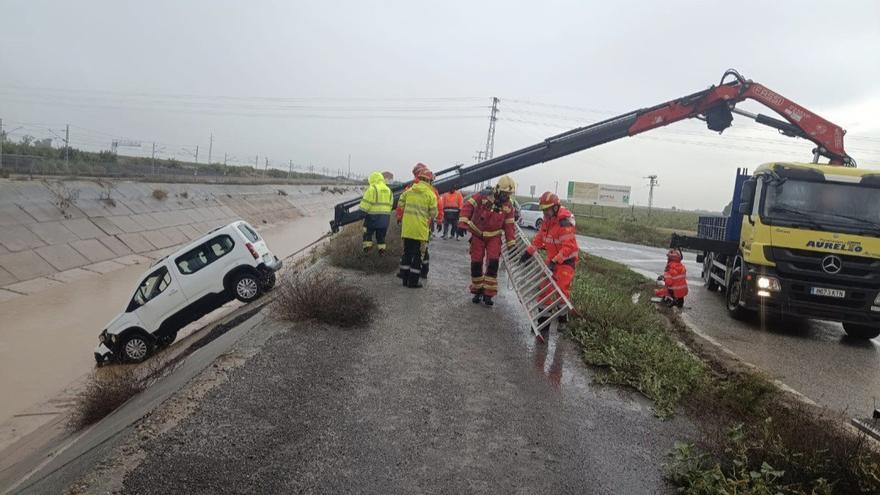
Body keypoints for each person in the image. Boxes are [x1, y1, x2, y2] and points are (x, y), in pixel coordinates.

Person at [458, 176, 517, 306]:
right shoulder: (484, 196)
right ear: (497, 190)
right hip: (478, 234)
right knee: (476, 263)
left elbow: (509, 225)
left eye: (508, 194)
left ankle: (488, 294)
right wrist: (462, 223)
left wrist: (511, 242)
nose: (506, 196)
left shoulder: (508, 206)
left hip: (494, 236)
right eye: (504, 193)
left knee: (493, 263)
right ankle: (477, 291)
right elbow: (468, 206)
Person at [518, 192, 579, 306]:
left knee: (561, 290)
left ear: (555, 208)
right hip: (552, 260)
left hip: (566, 262)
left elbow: (568, 247)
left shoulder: (564, 223)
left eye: (547, 209)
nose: (544, 213)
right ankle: (543, 320)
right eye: (543, 210)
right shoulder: (547, 221)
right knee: (544, 289)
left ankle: (561, 317)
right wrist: (528, 253)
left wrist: (554, 261)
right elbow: (538, 239)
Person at [397, 167, 438, 288]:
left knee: (407, 253)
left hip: (407, 229)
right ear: (429, 181)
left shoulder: (409, 191)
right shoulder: (431, 194)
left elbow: (400, 203)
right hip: (420, 230)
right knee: (418, 256)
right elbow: (433, 214)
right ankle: (413, 282)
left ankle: (404, 278)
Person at [359, 171, 393, 255]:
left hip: (372, 218)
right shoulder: (388, 190)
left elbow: (366, 203)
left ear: (372, 179)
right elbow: (391, 204)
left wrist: (361, 213)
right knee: (381, 236)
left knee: (367, 232)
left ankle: (367, 250)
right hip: (385, 219)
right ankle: (381, 251)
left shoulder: (372, 189)